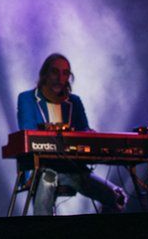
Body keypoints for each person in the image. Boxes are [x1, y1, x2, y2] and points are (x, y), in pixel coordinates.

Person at [16, 53, 127, 215]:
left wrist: (89, 136)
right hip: (41, 168)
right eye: (55, 72)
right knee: (47, 180)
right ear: (45, 74)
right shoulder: (27, 98)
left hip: (73, 168)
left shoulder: (74, 102)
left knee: (117, 197)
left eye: (65, 73)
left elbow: (83, 133)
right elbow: (27, 133)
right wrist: (54, 132)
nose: (60, 78)